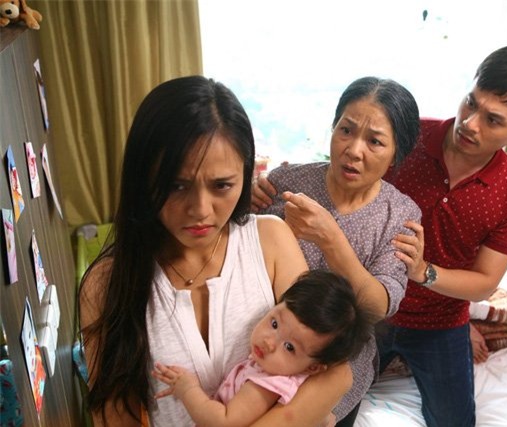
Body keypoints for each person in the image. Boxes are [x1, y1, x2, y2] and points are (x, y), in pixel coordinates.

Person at [78, 76, 353, 427]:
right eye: (176, 185)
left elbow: (336, 374)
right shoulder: (107, 283)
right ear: (143, 179)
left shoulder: (270, 241)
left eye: (222, 185)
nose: (201, 210)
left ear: (246, 174)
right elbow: (115, 416)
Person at [378, 43, 507, 426]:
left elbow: (484, 283)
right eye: (470, 103)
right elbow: (346, 180)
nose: (470, 123)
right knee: (325, 406)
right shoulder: (409, 135)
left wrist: (423, 271)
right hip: (371, 303)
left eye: (492, 120)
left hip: (439, 323)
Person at [251, 76, 422, 425]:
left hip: (337, 367)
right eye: (346, 130)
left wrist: (331, 239)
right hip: (267, 346)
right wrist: (244, 198)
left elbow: (377, 306)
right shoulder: (287, 184)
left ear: (396, 154)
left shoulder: (401, 216)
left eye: (375, 141)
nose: (354, 150)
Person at [151, 270, 375, 427]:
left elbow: (223, 421)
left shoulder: (267, 384)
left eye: (289, 347)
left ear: (313, 368)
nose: (269, 342)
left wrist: (188, 390)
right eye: (275, 323)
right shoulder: (271, 369)